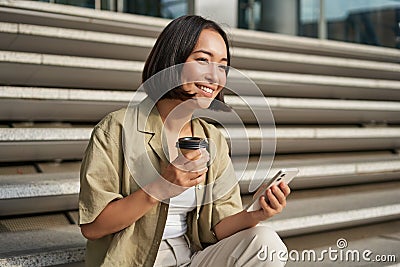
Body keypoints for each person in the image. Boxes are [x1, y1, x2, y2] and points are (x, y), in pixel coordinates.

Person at [79, 15, 290, 267]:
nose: (215, 76)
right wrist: (161, 187)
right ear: (173, 61)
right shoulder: (117, 128)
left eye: (222, 66)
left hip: (189, 259)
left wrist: (256, 213)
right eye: (203, 60)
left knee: (266, 243)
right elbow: (93, 227)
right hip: (133, 261)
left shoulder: (212, 139)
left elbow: (218, 228)